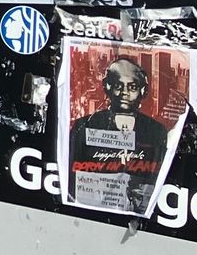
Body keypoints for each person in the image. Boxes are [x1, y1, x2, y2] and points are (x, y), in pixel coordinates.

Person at [68, 55, 172, 214]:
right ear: (107, 86)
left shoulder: (157, 131)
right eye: (118, 85)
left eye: (132, 87)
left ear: (142, 90)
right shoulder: (84, 125)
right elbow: (71, 175)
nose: (124, 92)